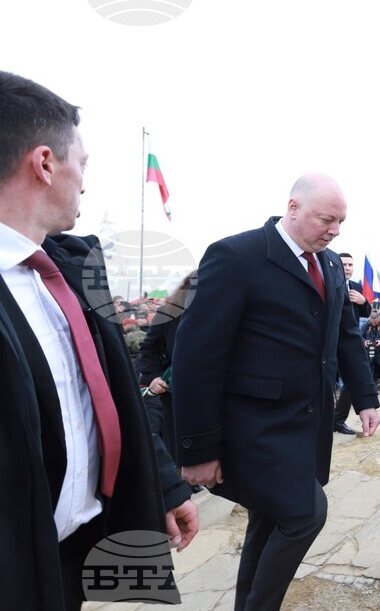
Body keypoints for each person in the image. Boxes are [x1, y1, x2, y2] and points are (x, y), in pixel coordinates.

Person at [0, 71, 197, 609]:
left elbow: (108, 396)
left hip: (72, 553)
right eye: (81, 164)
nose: (84, 183)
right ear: (44, 164)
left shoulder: (70, 271)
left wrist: (164, 485)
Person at [172, 173, 380, 611]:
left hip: (306, 427)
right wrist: (197, 448)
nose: (335, 230)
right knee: (307, 514)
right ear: (294, 207)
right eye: (327, 219)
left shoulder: (327, 266)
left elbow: (344, 337)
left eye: (341, 222)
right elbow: (196, 356)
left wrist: (365, 398)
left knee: (268, 523)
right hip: (254, 431)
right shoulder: (237, 256)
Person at [137, 270, 197, 458]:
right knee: (179, 446)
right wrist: (153, 377)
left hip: (216, 390)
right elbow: (149, 349)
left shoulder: (226, 310)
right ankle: (183, 484)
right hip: (174, 391)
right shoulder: (169, 312)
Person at [332, 252, 373, 435]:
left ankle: (337, 420)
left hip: (354, 343)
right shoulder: (330, 282)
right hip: (333, 344)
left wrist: (363, 301)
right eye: (344, 264)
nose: (347, 268)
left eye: (350, 265)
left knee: (350, 383)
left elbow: (366, 312)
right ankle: (334, 420)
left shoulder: (356, 286)